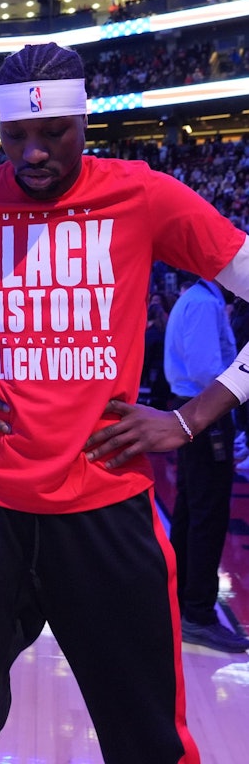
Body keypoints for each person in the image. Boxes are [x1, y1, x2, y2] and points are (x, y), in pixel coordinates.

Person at [0, 41, 249, 764]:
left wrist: (193, 416)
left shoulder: (141, 194)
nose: (31, 154)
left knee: (148, 739)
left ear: (84, 121)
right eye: (13, 137)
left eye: (50, 134)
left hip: (104, 502)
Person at [164, 279, 249, 652]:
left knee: (190, 511)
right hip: (204, 412)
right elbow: (205, 371)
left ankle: (181, 602)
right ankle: (197, 613)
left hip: (192, 409)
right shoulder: (203, 304)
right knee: (207, 515)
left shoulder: (194, 299)